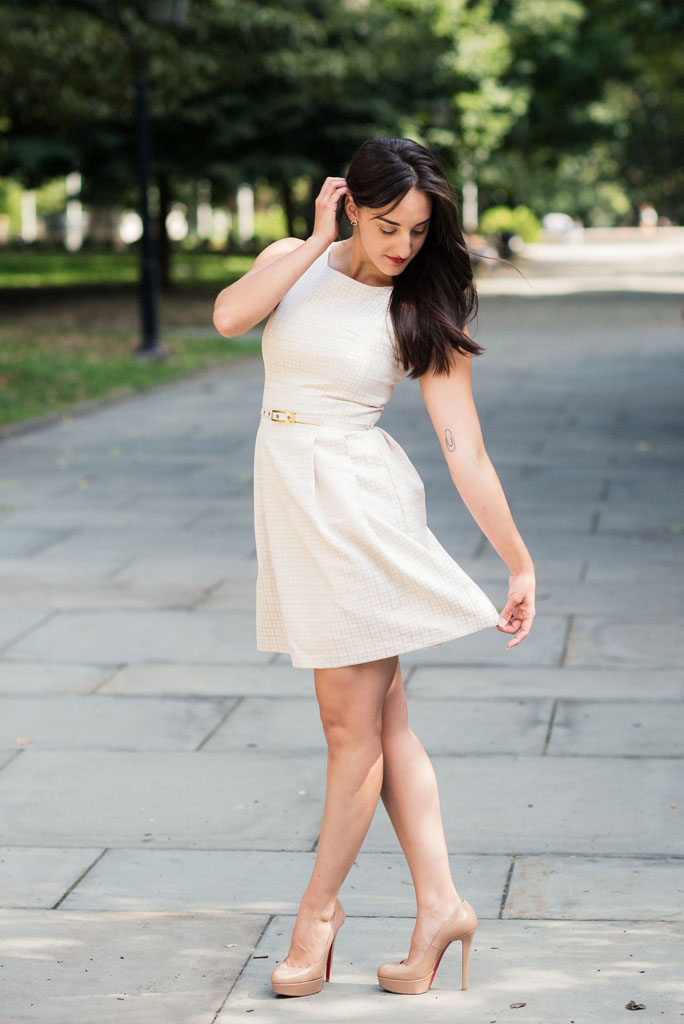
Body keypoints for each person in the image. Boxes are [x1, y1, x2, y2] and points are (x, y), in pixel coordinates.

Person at [213, 138, 535, 998]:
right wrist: (315, 245)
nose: (402, 246)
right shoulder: (295, 259)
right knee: (385, 726)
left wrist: (517, 560)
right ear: (349, 203)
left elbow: (463, 446)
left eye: (421, 231)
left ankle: (318, 916)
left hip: (356, 509)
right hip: (296, 500)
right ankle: (442, 908)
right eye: (388, 224)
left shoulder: (418, 309)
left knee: (349, 732)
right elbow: (229, 318)